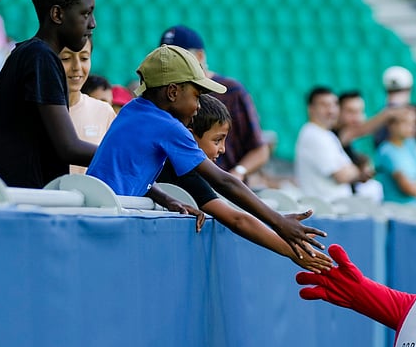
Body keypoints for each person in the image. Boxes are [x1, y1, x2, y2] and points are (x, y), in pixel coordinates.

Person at [88, 44, 326, 261]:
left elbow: (129, 171)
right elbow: (224, 181)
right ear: (172, 92)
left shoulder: (134, 109)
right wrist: (278, 221)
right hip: (109, 225)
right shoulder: (169, 127)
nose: (199, 106)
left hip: (95, 213)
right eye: (197, 96)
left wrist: (166, 198)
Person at [156, 94, 331, 272]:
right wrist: (293, 251)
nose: (223, 149)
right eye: (217, 140)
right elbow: (238, 219)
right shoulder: (184, 172)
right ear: (189, 137)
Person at [0, 0, 100, 190]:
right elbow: (68, 147)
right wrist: (128, 156)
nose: (93, 24)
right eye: (86, 14)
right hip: (16, 202)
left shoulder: (31, 54)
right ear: (57, 15)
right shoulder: (40, 57)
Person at [158, 25, 270, 182]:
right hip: (179, 190)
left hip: (225, 189)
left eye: (180, 57)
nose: (173, 64)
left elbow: (259, 149)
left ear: (200, 56)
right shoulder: (164, 94)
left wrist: (237, 173)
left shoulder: (231, 91)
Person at [294, 86, 372, 203]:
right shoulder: (313, 135)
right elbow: (342, 175)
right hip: (324, 210)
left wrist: (353, 170)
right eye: (324, 105)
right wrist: (357, 170)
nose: (331, 110)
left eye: (334, 104)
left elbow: (347, 171)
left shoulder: (327, 135)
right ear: (310, 109)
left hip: (335, 209)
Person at [60, 36, 114, 174]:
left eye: (84, 58)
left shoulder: (104, 111)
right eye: (66, 58)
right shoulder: (39, 111)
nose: (77, 67)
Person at [375, 106, 416, 205]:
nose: (412, 127)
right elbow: (407, 187)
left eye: (414, 123)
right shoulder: (387, 150)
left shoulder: (414, 145)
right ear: (392, 125)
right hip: (397, 212)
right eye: (405, 123)